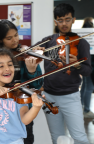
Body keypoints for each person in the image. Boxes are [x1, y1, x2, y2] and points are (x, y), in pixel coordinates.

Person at [0, 19, 44, 144]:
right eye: (9, 38)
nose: (15, 40)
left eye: (16, 35)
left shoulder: (27, 54)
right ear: (1, 39)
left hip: (21, 110)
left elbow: (37, 86)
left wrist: (32, 71)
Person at [37, 3, 91, 144]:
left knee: (79, 138)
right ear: (55, 21)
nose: (64, 23)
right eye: (60, 20)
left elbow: (87, 71)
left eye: (67, 19)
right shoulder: (48, 41)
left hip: (70, 97)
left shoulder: (81, 43)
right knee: (57, 137)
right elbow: (31, 51)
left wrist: (77, 64)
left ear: (73, 19)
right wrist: (29, 51)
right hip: (49, 97)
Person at [80, 17, 94, 119]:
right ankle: (86, 110)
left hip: (85, 63)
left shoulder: (81, 34)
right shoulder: (91, 34)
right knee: (89, 87)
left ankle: (81, 107)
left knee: (85, 86)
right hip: (90, 65)